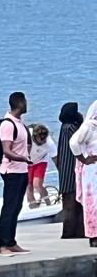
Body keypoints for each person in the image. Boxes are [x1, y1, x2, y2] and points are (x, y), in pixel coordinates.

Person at [0, 92, 31, 255]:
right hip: (12, 171)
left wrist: (26, 159)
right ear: (20, 103)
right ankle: (3, 244)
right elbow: (7, 151)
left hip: (22, 170)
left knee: (16, 207)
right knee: (9, 207)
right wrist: (23, 158)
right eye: (25, 101)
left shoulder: (20, 124)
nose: (27, 104)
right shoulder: (8, 124)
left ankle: (11, 241)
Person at [67, 101, 97, 248]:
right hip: (92, 170)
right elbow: (74, 142)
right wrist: (83, 159)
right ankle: (94, 236)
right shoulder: (90, 126)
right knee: (93, 202)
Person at [56, 102, 85, 239]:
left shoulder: (64, 127)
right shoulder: (70, 128)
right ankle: (70, 232)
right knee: (73, 204)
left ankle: (75, 231)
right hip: (71, 171)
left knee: (71, 203)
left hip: (66, 171)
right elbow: (81, 141)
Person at [27, 124, 56, 208]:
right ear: (33, 137)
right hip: (27, 161)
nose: (40, 144)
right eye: (38, 142)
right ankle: (33, 205)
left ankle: (48, 204)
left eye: (42, 142)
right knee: (28, 184)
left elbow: (56, 159)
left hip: (41, 160)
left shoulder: (49, 144)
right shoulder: (26, 135)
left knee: (37, 184)